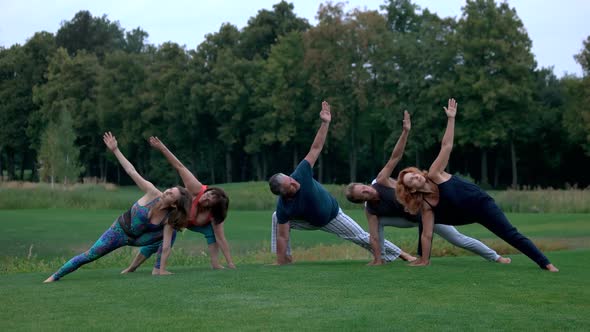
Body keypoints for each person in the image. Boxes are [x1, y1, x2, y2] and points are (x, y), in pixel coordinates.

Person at [395, 98, 558, 271]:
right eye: (411, 180)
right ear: (412, 189)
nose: (416, 177)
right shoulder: (426, 205)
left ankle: (545, 263)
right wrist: (425, 260)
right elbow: (427, 235)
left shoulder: (435, 173)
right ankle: (423, 258)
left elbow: (447, 145)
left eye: (414, 174)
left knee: (510, 234)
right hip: (462, 215)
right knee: (424, 221)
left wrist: (451, 119)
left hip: (481, 204)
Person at [345, 111, 510, 265]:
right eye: (363, 194)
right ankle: (380, 259)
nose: (367, 190)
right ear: (361, 200)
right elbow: (373, 236)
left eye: (364, 187)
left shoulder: (381, 181)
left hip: (426, 211)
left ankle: (496, 257)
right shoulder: (371, 210)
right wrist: (376, 258)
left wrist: (405, 132)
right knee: (377, 223)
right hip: (407, 219)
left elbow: (396, 156)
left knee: (458, 239)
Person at [268, 101, 415, 265]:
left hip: (332, 215)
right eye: (291, 186)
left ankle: (402, 254)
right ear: (284, 194)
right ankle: (284, 260)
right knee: (277, 218)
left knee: (361, 237)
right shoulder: (284, 206)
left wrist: (325, 123)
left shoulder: (301, 173)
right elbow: (282, 235)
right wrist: (279, 265)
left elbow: (316, 148)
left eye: (291, 179)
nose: (295, 183)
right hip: (308, 221)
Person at [44, 132, 192, 282]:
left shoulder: (169, 218)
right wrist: (115, 150)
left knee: (171, 233)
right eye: (169, 189)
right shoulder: (152, 192)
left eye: (171, 194)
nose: (166, 192)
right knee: (90, 255)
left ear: (174, 203)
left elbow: (166, 246)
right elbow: (131, 171)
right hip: (119, 231)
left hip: (139, 238)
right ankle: (54, 276)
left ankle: (158, 270)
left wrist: (162, 269)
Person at [121, 136, 235, 275]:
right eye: (208, 194)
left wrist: (230, 263)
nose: (206, 197)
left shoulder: (214, 216)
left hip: (197, 224)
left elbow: (221, 239)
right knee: (159, 239)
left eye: (209, 201)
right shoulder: (196, 188)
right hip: (178, 216)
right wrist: (162, 147)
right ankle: (133, 267)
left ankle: (216, 264)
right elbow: (179, 166)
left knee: (212, 233)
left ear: (213, 207)